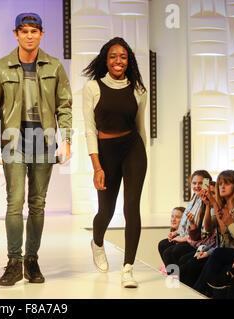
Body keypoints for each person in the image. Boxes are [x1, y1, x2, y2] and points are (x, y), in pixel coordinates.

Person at [0, 13, 72, 286]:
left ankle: (32, 261)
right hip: (14, 142)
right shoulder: (0, 68)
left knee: (37, 204)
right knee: (14, 204)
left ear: (41, 34)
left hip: (44, 142)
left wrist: (67, 139)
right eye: (24, 31)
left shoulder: (55, 66)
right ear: (16, 34)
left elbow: (64, 106)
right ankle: (14, 262)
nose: (29, 35)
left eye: (34, 31)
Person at [82, 37, 147, 288]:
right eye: (113, 56)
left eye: (123, 56)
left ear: (128, 60)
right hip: (106, 152)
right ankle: (97, 242)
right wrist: (96, 167)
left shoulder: (138, 89)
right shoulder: (93, 88)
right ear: (105, 60)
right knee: (106, 211)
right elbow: (90, 130)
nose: (118, 61)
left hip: (133, 149)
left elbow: (140, 128)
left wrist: (143, 158)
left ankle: (128, 268)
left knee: (132, 207)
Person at [193, 173, 234, 296]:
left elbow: (225, 230)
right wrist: (208, 206)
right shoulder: (222, 205)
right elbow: (207, 228)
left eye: (227, 183)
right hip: (223, 249)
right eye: (220, 184)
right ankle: (198, 291)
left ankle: (197, 292)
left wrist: (213, 203)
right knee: (189, 262)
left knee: (217, 254)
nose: (222, 187)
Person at [159, 170, 212, 268]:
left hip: (198, 241)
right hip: (188, 235)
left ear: (206, 184)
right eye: (194, 183)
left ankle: (177, 278)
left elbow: (202, 233)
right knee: (163, 244)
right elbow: (186, 222)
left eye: (200, 183)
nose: (197, 186)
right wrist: (176, 233)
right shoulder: (195, 198)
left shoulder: (207, 202)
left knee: (171, 252)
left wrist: (184, 238)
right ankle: (174, 276)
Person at [157, 206, 184, 271]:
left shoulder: (186, 236)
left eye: (177, 217)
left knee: (168, 252)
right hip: (173, 269)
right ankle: (172, 274)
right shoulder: (172, 235)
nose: (173, 219)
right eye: (172, 216)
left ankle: (174, 276)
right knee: (162, 244)